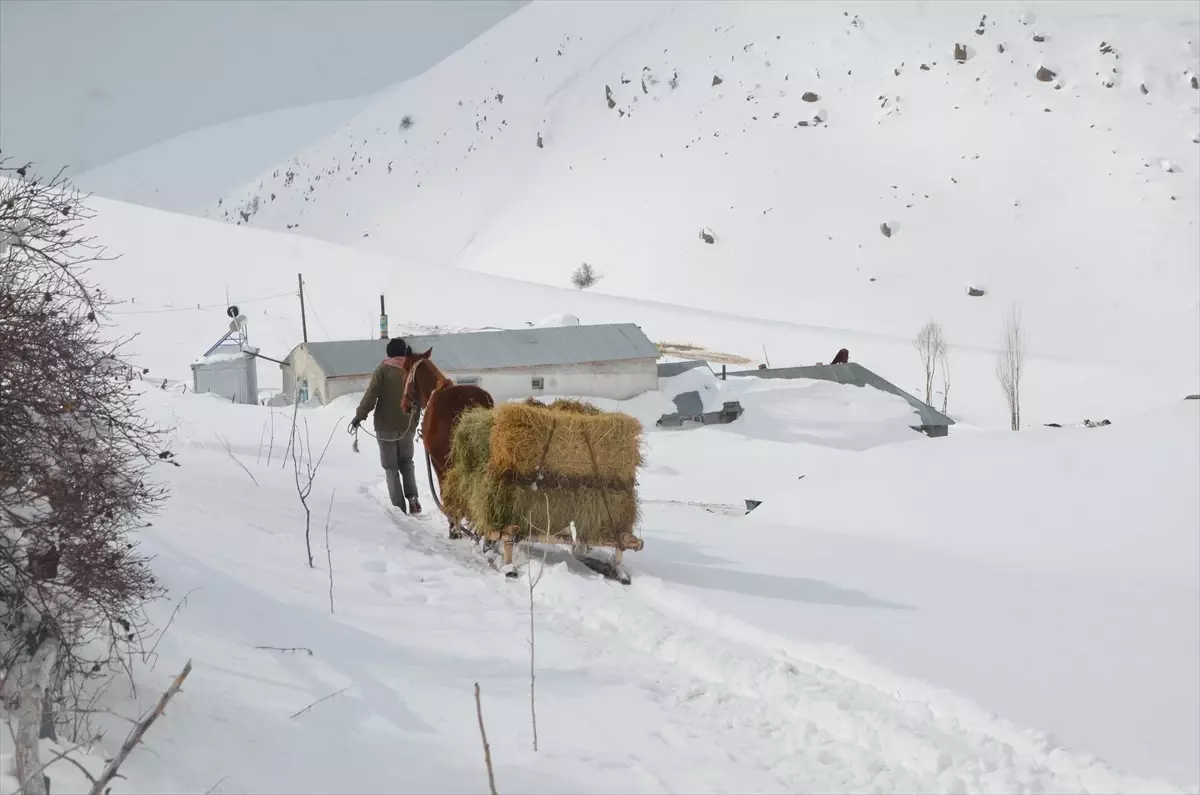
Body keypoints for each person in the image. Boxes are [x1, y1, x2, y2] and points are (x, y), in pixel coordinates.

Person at [350, 337, 422, 515]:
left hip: (385, 426)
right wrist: (415, 421)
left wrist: (359, 417)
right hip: (407, 426)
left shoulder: (382, 370)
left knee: (391, 467)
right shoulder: (413, 371)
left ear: (389, 354)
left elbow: (371, 395)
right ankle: (413, 498)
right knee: (407, 462)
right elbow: (419, 398)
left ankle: (399, 508)